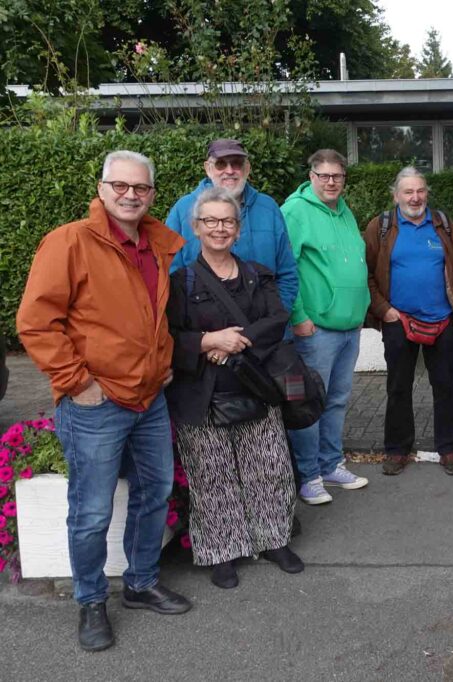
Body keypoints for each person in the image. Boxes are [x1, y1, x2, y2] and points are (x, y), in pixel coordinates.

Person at [17, 150, 191, 652]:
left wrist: (162, 361)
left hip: (151, 398)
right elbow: (35, 322)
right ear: (102, 187)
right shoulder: (69, 241)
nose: (130, 195)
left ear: (152, 193)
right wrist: (77, 383)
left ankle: (139, 584)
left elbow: (150, 316)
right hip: (96, 403)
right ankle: (91, 600)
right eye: (120, 186)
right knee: (91, 511)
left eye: (140, 188)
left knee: (153, 493)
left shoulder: (157, 243)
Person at [166, 186, 303, 590]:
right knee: (213, 476)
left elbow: (277, 319)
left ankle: (274, 540)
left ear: (238, 230)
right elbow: (170, 335)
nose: (219, 228)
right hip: (202, 394)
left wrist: (231, 341)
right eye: (210, 221)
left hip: (255, 386)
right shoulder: (179, 281)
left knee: (269, 467)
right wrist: (209, 342)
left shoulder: (258, 274)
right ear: (196, 228)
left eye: (227, 221)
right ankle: (222, 552)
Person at [363, 167, 453, 476]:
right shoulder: (380, 227)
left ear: (427, 192)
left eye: (420, 190)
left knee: (446, 387)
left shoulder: (443, 225)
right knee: (398, 387)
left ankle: (449, 448)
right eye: (408, 191)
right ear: (396, 195)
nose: (415, 197)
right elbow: (366, 274)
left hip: (442, 321)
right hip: (399, 321)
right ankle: (397, 449)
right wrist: (384, 310)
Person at [281, 149, 370, 505]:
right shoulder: (295, 211)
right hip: (316, 329)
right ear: (312, 176)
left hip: (349, 327)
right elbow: (286, 267)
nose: (331, 182)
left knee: (336, 400)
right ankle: (308, 475)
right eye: (324, 175)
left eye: (337, 176)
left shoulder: (344, 211)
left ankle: (330, 464)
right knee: (309, 404)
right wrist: (298, 315)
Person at [165, 138, 298, 310]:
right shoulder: (183, 210)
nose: (229, 171)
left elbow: (287, 273)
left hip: (267, 331)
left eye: (236, 163)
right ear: (208, 168)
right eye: (221, 164)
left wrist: (274, 317)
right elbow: (170, 275)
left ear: (247, 168)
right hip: (207, 330)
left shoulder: (269, 208)